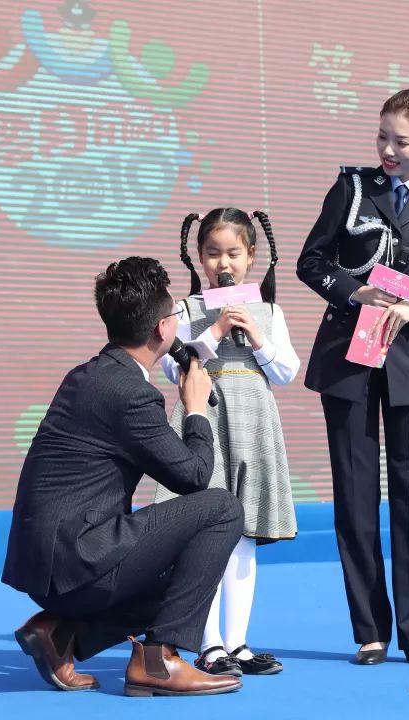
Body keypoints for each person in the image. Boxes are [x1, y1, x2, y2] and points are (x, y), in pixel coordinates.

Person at [2, 256, 245, 697]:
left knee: (183, 555)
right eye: (174, 314)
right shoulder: (130, 393)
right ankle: (159, 659)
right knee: (222, 510)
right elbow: (193, 476)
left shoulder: (87, 376)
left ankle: (60, 634)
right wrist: (195, 409)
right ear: (162, 329)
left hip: (46, 567)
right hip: (78, 564)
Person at [296, 88, 409, 667]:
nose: (388, 150)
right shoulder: (352, 188)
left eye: (401, 141)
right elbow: (311, 262)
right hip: (347, 357)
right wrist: (356, 293)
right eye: (382, 137)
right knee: (354, 495)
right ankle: (369, 631)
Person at [155, 208, 300, 677]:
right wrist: (214, 331)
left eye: (234, 253)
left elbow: (286, 372)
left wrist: (255, 334)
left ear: (251, 256)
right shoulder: (185, 310)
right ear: (199, 257)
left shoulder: (269, 311)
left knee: (244, 534)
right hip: (206, 418)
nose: (224, 263)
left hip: (254, 423)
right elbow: (174, 368)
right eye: (214, 253)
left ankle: (237, 642)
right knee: (205, 533)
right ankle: (209, 644)